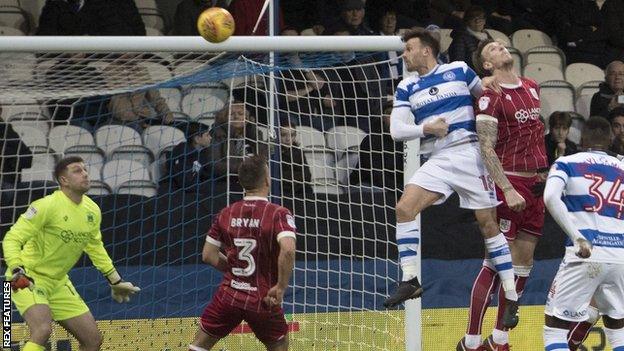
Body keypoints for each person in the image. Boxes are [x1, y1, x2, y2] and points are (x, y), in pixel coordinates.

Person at [382, 30, 519, 333]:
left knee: (488, 225)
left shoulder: (458, 70)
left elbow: (485, 97)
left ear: (427, 51)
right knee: (404, 209)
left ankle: (510, 295)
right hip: (439, 159)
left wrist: (487, 84)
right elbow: (397, 131)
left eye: (408, 49)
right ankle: (410, 279)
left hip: (471, 153)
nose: (404, 54)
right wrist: (426, 128)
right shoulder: (407, 86)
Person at [461, 38, 550, 351]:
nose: (501, 48)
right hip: (508, 183)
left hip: (537, 186)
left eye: (502, 44)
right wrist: (508, 188)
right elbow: (485, 146)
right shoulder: (489, 94)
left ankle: (500, 339)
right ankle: (471, 341)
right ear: (487, 64)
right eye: (493, 49)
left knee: (524, 263)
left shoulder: (532, 86)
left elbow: (535, 134)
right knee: (496, 264)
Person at [3, 156, 140, 351]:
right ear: (64, 180)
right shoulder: (46, 205)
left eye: (85, 169)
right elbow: (12, 238)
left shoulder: (92, 209)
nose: (85, 174)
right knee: (42, 330)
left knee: (93, 340)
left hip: (59, 283)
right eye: (77, 170)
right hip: (28, 277)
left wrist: (115, 281)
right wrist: (18, 268)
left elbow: (95, 247)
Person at [188, 155, 297, 351]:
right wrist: (281, 286)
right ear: (267, 180)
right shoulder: (278, 213)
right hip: (263, 298)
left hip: (229, 294)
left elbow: (208, 255)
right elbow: (288, 250)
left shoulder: (226, 213)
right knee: (279, 344)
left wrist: (235, 270)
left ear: (241, 182)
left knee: (199, 346)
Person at [543, 116, 624, 351]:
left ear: (580, 138)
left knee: (554, 330)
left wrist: (577, 236)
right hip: (619, 257)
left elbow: (550, 197)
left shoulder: (567, 163)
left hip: (586, 253)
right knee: (619, 333)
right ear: (610, 139)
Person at [168, 121, 214, 193]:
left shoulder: (201, 153)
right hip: (176, 193)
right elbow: (186, 182)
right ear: (197, 139)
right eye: (207, 135)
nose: (210, 138)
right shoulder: (183, 155)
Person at [448, 6, 492, 71]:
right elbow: (458, 64)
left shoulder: (486, 35)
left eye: (480, 18)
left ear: (485, 21)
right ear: (467, 21)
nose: (477, 22)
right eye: (473, 19)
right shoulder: (460, 38)